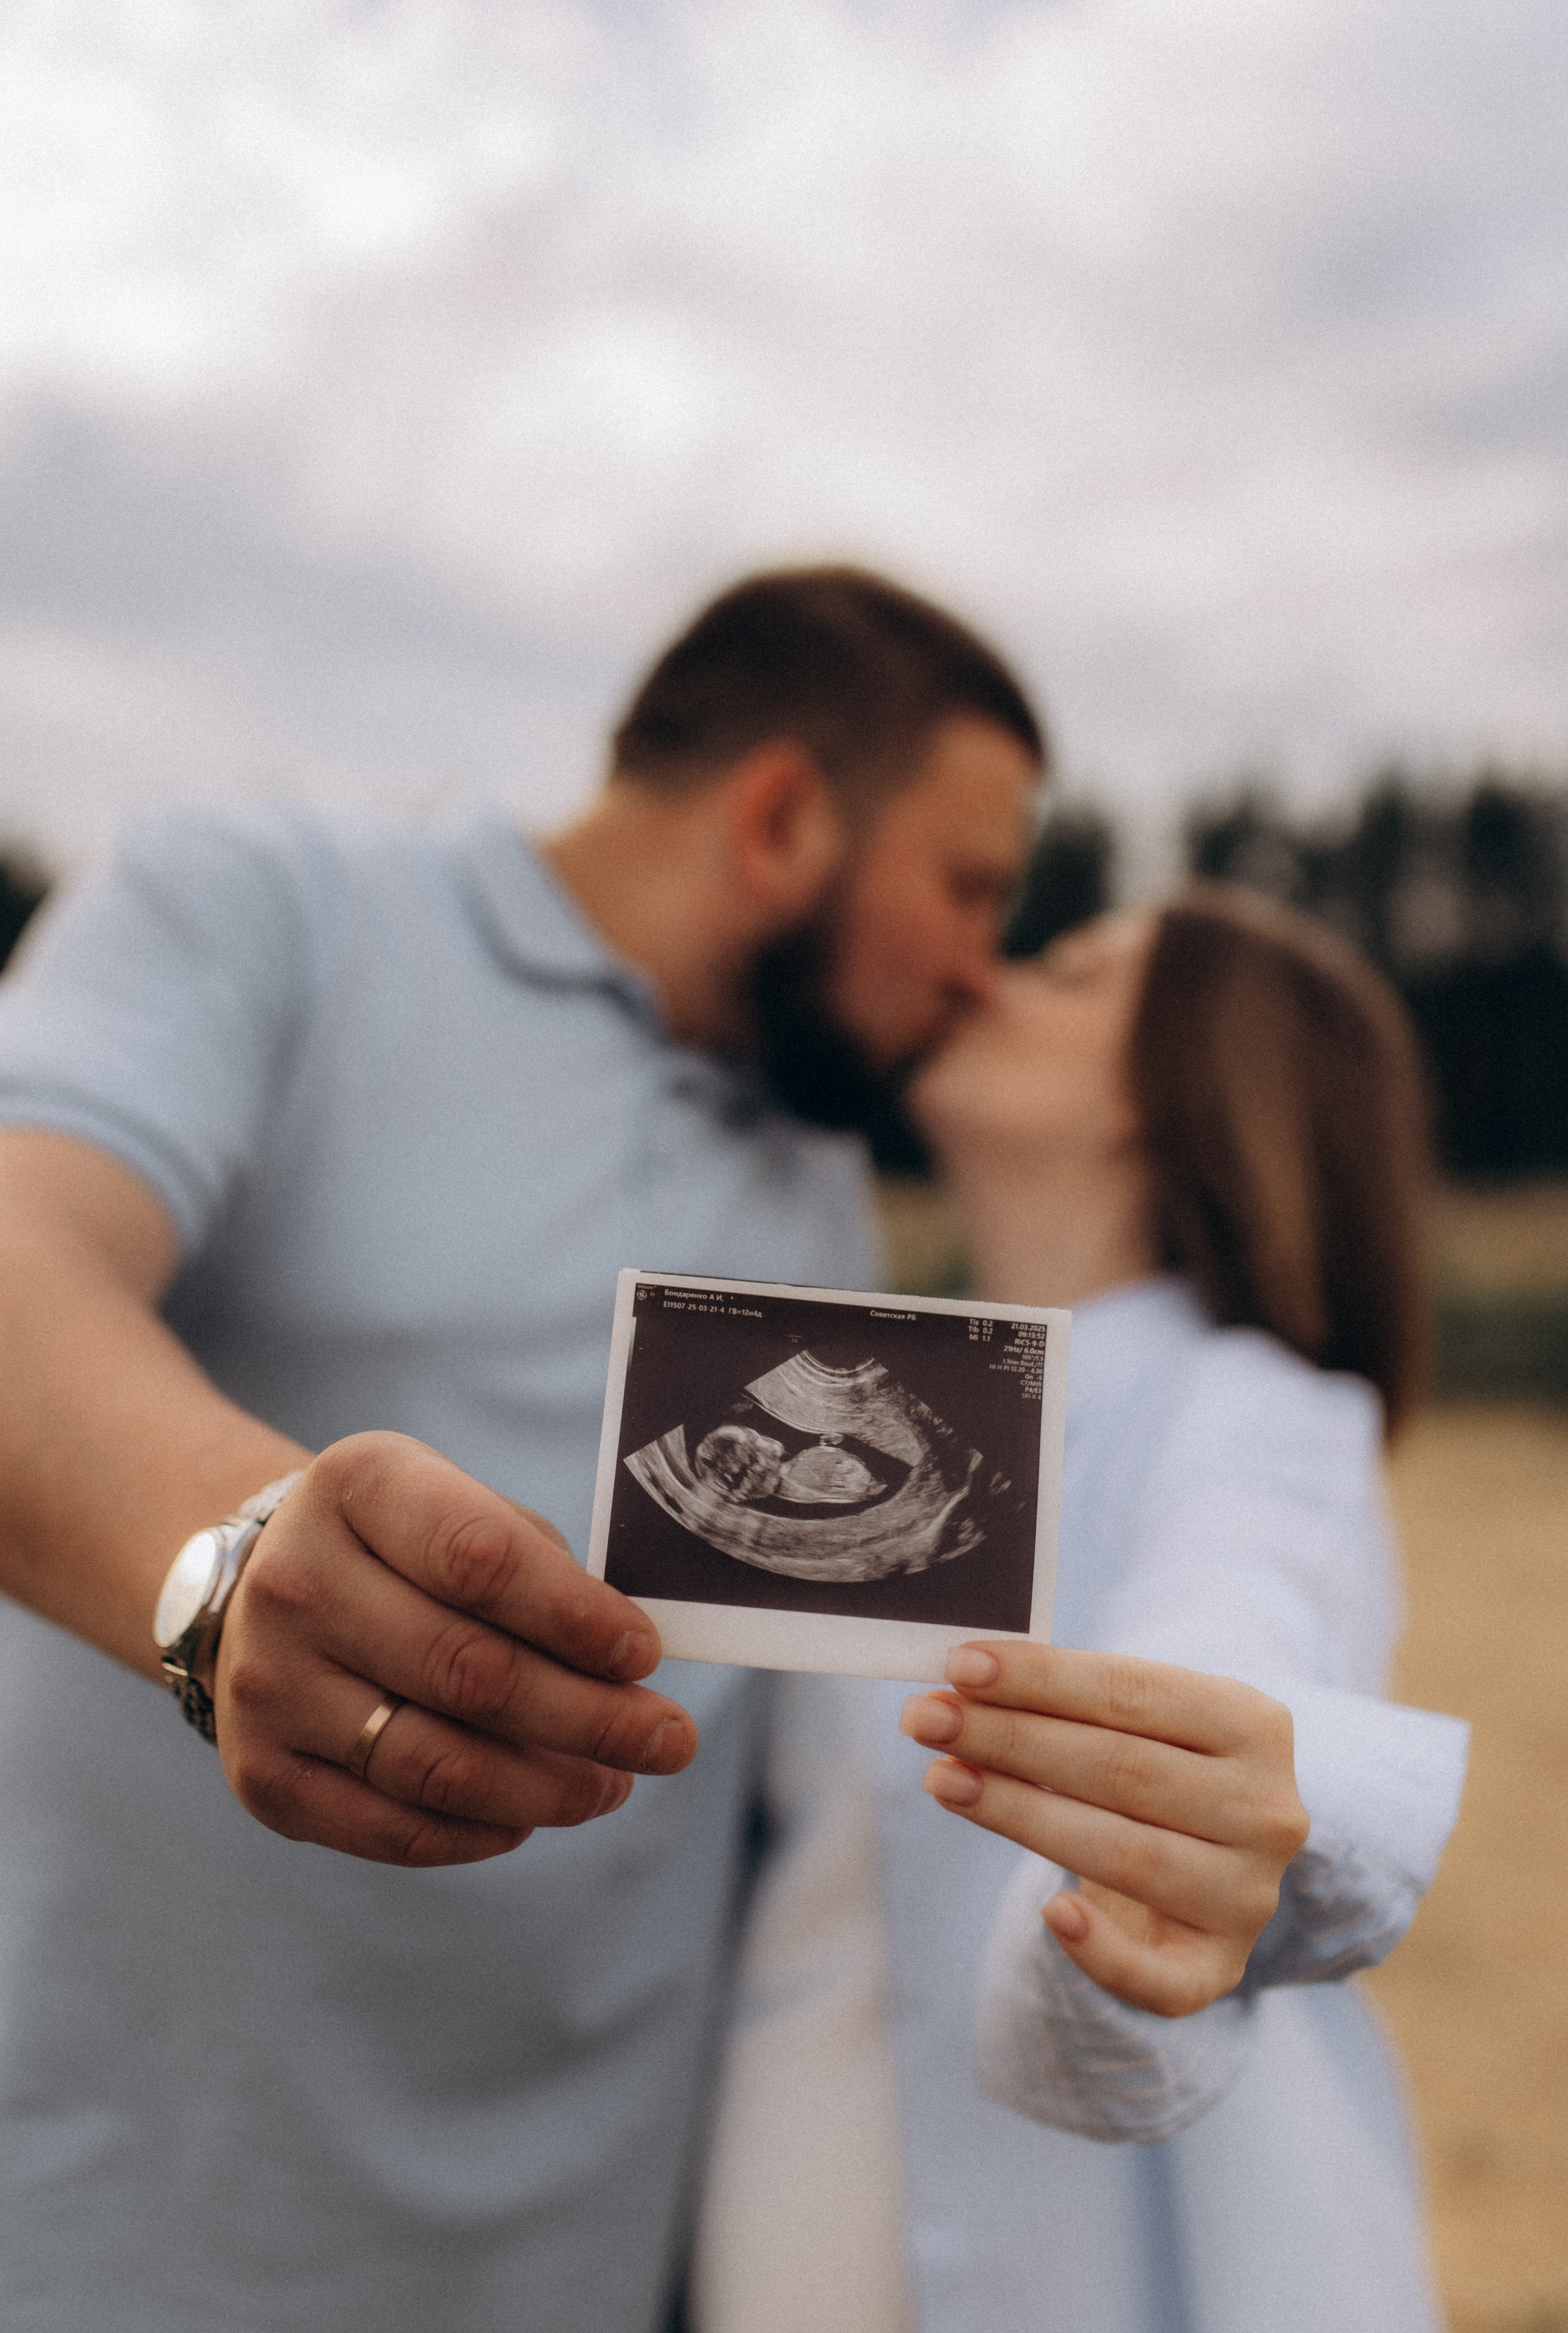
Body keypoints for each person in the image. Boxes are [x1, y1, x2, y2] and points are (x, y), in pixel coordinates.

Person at [0, 571, 1314, 2333]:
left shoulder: (824, 1188)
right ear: (781, 819)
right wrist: (228, 1566)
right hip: (127, 2231)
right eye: (971, 885)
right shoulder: (259, 905)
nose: (979, 968)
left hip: (594, 2273)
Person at [693, 888, 1469, 2333]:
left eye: (1066, 971)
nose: (982, 975)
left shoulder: (1258, 1419)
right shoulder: (849, 1396)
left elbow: (1236, 1626)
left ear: (1168, 1090)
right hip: (788, 2206)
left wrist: (1178, 1809)